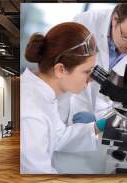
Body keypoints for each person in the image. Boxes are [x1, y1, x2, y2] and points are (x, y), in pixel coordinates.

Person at [20, 22, 106, 174]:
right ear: (60, 69)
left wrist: (99, 126)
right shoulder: (31, 113)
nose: (91, 78)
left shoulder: (44, 95)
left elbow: (59, 136)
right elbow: (38, 176)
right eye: (87, 71)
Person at [70, 3, 127, 122]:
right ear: (115, 19)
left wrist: (104, 121)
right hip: (73, 105)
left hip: (106, 118)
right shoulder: (86, 22)